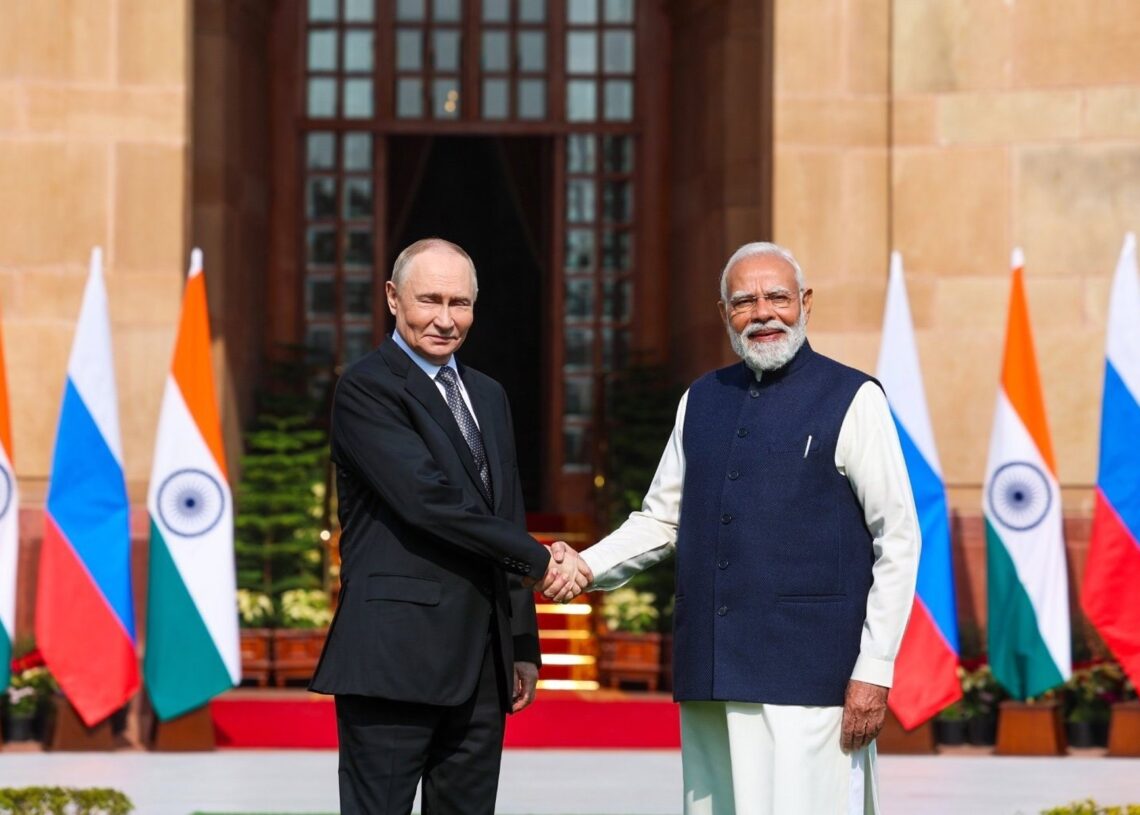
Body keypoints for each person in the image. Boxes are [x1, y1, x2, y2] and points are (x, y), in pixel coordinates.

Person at [562, 241, 920, 814]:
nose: (762, 313)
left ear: (805, 302)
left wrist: (874, 670)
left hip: (812, 679)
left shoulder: (854, 397)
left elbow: (898, 538)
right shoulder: (700, 399)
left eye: (777, 297)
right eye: (744, 301)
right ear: (723, 312)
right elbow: (662, 518)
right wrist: (585, 566)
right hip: (712, 672)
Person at [311, 238, 588, 814]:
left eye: (459, 303)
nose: (445, 319)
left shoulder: (488, 394)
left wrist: (521, 643)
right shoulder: (366, 387)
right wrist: (543, 561)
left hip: (482, 667)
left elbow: (506, 512)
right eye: (429, 300)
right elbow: (428, 502)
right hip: (393, 659)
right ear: (392, 298)